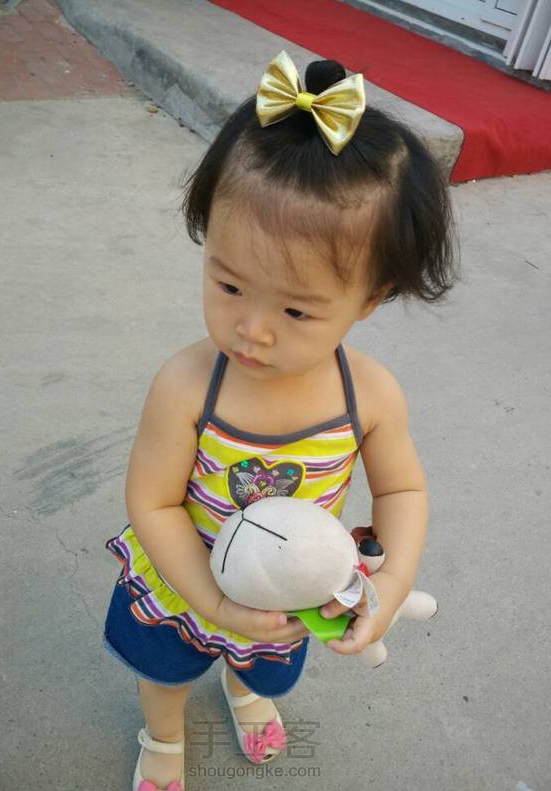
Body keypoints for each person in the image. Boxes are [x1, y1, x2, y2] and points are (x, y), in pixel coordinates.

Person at [103, 51, 457, 791]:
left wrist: (394, 579)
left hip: (286, 590)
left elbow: (402, 491)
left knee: (256, 659)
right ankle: (162, 734)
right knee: (164, 670)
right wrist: (211, 600)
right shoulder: (187, 385)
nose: (252, 329)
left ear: (370, 298)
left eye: (296, 310)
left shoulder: (369, 396)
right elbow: (152, 501)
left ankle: (243, 690)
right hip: (183, 579)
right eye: (229, 284)